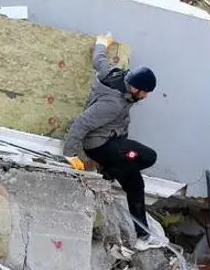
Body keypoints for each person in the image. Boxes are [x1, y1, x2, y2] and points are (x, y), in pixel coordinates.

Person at [62, 33, 162, 251]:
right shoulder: (112, 103)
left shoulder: (115, 74)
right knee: (148, 157)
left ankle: (142, 237)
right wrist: (70, 154)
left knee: (135, 181)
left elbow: (99, 61)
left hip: (112, 142)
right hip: (101, 146)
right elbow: (82, 123)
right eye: (144, 93)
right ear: (135, 88)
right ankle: (110, 170)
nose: (145, 97)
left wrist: (101, 43)